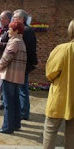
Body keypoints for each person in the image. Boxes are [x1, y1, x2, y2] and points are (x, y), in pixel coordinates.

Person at [43, 19, 74, 149]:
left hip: (60, 95)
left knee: (51, 129)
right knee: (72, 132)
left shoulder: (63, 49)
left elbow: (50, 73)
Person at [0, 21, 27, 134]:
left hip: (10, 75)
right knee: (15, 101)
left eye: (10, 29)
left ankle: (7, 127)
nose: (8, 31)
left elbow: (7, 57)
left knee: (8, 102)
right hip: (17, 76)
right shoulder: (21, 41)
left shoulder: (14, 42)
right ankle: (16, 124)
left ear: (16, 31)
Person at [13, 9, 38, 120]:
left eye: (15, 17)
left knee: (22, 90)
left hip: (23, 64)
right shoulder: (27, 30)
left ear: (21, 19)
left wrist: (33, 63)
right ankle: (22, 111)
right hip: (24, 64)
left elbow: (31, 49)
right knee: (21, 89)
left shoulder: (26, 30)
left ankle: (23, 113)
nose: (13, 19)